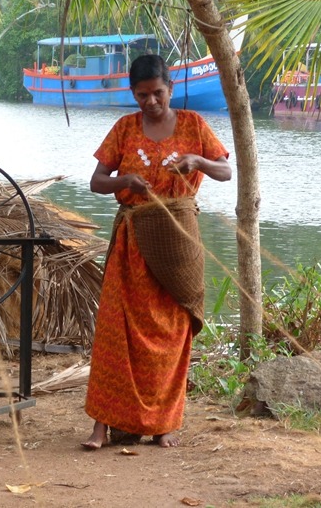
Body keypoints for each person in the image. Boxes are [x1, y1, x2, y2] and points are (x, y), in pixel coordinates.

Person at [82, 54, 231, 449]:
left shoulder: (194, 125)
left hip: (178, 243)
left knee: (172, 330)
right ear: (133, 93)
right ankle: (101, 427)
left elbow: (225, 171)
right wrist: (121, 181)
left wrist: (197, 160)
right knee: (115, 333)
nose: (150, 102)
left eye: (157, 93)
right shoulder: (124, 128)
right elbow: (97, 180)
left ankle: (164, 425)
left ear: (171, 89)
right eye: (142, 94)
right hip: (131, 246)